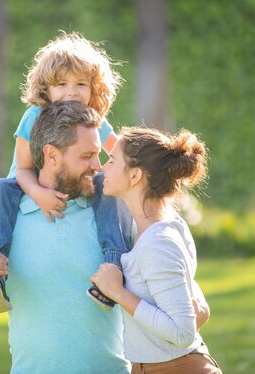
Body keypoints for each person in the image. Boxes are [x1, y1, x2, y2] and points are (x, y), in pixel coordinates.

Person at [0, 101, 131, 373]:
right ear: (51, 155)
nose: (98, 166)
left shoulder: (115, 216)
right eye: (86, 156)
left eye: (98, 154)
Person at [0, 31, 128, 314]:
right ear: (47, 88)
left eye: (81, 84)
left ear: (94, 88)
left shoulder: (92, 120)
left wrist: (132, 165)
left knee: (107, 186)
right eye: (62, 84)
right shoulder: (34, 116)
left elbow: (118, 151)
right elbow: (23, 169)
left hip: (77, 181)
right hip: (25, 183)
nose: (71, 91)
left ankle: (114, 266)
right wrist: (39, 194)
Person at [91, 127, 223, 373]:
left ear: (134, 176)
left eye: (111, 160)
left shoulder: (157, 241)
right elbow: (188, 296)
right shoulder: (163, 226)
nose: (102, 167)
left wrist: (118, 293)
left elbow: (182, 332)